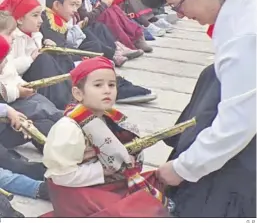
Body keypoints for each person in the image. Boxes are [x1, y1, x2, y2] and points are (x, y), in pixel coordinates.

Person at [140, 0, 256, 217]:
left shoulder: (244, 38)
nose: (180, 15)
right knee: (211, 78)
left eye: (177, 5)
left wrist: (182, 169)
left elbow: (237, 126)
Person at [42, 56, 172, 217]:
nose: (107, 90)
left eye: (112, 85)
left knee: (160, 180)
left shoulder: (109, 117)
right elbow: (60, 176)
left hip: (101, 182)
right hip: (75, 192)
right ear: (78, 93)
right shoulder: (68, 128)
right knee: (142, 212)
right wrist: (103, 170)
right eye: (98, 85)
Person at [43, 0, 157, 104]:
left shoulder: (57, 19)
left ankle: (113, 82)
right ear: (56, 4)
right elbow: (58, 56)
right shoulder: (47, 20)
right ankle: (110, 88)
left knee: (94, 49)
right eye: (72, 5)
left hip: (66, 60)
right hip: (59, 69)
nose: (75, 10)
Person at [0, 0, 72, 110]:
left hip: (20, 83)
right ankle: (61, 102)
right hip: (17, 84)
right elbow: (10, 67)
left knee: (55, 55)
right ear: (20, 20)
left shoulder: (34, 34)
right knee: (43, 60)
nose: (41, 20)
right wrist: (31, 59)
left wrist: (43, 44)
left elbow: (36, 51)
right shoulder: (13, 38)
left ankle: (70, 93)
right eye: (35, 15)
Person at [70, 0, 145, 59]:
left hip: (90, 22)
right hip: (79, 28)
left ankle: (122, 45)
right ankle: (116, 52)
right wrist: (104, 5)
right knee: (105, 16)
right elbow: (86, 17)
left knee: (104, 21)